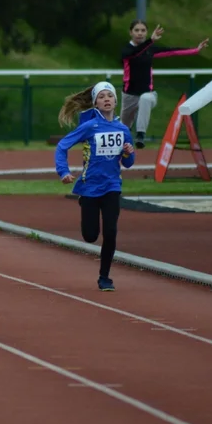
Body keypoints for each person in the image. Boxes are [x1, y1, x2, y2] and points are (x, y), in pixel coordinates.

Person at [54, 81, 135, 292]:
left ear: (116, 101)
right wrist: (63, 171)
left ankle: (104, 277)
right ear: (95, 103)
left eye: (110, 96)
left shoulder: (123, 129)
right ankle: (84, 203)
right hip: (90, 187)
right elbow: (62, 146)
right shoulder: (90, 126)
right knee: (90, 236)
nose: (106, 99)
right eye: (102, 97)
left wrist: (128, 151)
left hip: (112, 186)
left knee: (111, 232)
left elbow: (128, 162)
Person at [120, 20, 209, 148]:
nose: (140, 33)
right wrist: (150, 41)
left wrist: (195, 50)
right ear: (131, 32)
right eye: (137, 30)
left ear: (146, 32)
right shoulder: (127, 50)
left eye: (143, 30)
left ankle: (140, 134)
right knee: (124, 130)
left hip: (148, 93)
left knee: (145, 98)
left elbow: (172, 51)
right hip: (129, 95)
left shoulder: (150, 49)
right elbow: (135, 53)